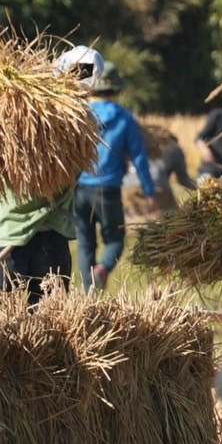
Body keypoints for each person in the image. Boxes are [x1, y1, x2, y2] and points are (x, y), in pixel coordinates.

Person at [0, 44, 101, 303]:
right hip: (27, 235)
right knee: (12, 326)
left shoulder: (16, 111)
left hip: (25, 235)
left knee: (40, 324)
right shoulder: (81, 124)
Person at [74, 64, 155, 291]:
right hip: (107, 190)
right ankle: (102, 271)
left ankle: (88, 291)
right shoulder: (124, 118)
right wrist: (148, 192)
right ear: (116, 90)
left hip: (80, 189)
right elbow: (139, 157)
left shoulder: (81, 114)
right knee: (116, 241)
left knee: (85, 243)